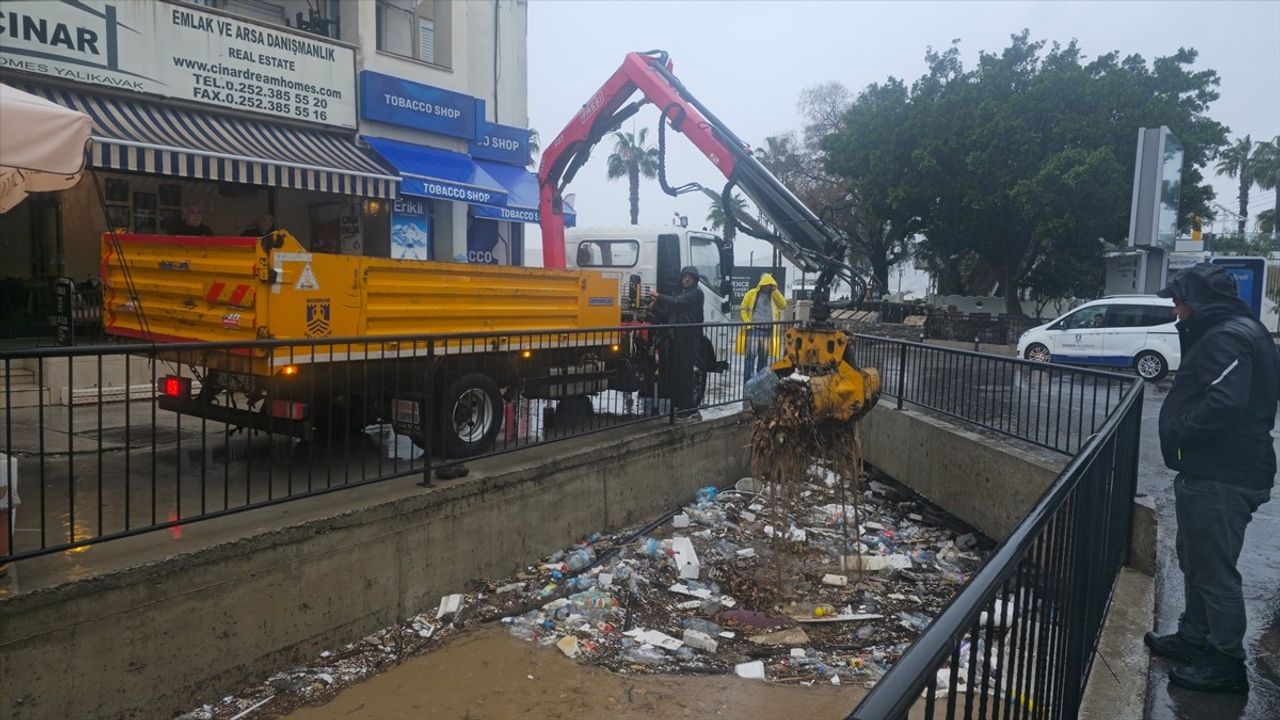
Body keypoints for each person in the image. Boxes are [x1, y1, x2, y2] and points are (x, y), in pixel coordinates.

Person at [1145, 263, 1277, 695]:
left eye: (1179, 300)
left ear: (1198, 300)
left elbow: (1224, 402)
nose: (1176, 309)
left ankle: (1225, 661)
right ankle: (1194, 636)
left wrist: (1181, 428)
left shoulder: (1226, 337)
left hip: (1222, 474)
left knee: (1214, 571)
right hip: (1217, 470)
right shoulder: (1242, 330)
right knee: (1195, 559)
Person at [648, 266, 705, 420]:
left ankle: (689, 408)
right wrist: (655, 309)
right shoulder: (681, 293)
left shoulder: (696, 294)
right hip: (676, 339)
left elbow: (677, 303)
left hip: (688, 339)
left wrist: (659, 297)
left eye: (690, 277)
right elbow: (669, 315)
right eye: (685, 276)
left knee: (685, 375)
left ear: (694, 280)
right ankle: (680, 406)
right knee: (677, 375)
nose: (687, 279)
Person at [736, 273, 786, 385]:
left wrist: (775, 291)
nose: (768, 287)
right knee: (751, 357)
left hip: (768, 331)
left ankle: (759, 383)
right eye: (767, 284)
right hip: (753, 329)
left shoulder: (773, 296)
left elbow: (783, 305)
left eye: (770, 285)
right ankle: (748, 382)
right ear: (761, 284)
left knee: (763, 358)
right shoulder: (751, 294)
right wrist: (748, 323)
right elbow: (743, 309)